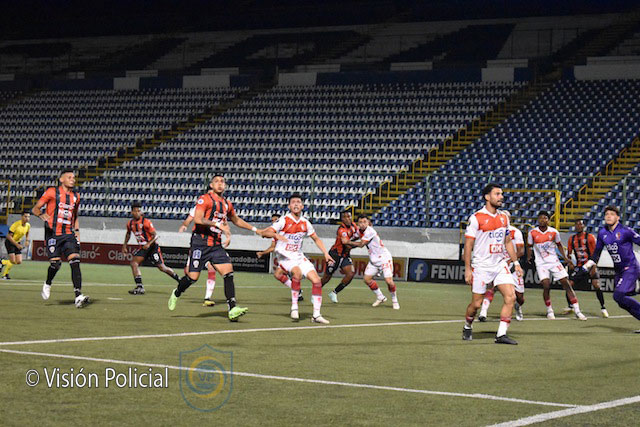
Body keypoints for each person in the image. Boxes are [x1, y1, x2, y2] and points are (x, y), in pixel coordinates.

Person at [168, 174, 256, 322]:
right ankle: (177, 292)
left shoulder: (227, 204)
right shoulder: (204, 199)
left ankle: (232, 308)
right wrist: (218, 225)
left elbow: (235, 220)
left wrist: (255, 229)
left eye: (222, 181)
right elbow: (198, 219)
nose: (220, 184)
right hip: (200, 243)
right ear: (211, 185)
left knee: (228, 272)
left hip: (215, 245)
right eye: (216, 181)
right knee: (192, 277)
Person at [258, 193, 333, 323]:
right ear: (289, 206)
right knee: (296, 273)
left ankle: (316, 315)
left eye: (298, 202)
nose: (296, 204)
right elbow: (266, 233)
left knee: (317, 281)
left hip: (298, 256)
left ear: (302, 206)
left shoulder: (305, 223)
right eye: (293, 202)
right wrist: (275, 235)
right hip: (285, 257)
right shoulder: (283, 220)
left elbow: (316, 239)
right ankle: (294, 307)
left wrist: (326, 253)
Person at [462, 183, 523, 345]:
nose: (501, 197)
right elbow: (468, 245)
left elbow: (507, 241)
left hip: (500, 264)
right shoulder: (476, 218)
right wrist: (468, 269)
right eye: (497, 194)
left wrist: (516, 262)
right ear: (487, 197)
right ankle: (467, 325)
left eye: (501, 194)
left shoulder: (504, 217)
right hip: (481, 266)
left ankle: (501, 334)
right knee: (476, 304)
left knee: (511, 296)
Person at [32, 169, 90, 308]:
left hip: (68, 234)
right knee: (56, 264)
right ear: (61, 179)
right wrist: (41, 215)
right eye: (69, 177)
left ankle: (78, 296)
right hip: (53, 234)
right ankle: (48, 283)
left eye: (74, 177)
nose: (73, 179)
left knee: (75, 261)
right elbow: (35, 208)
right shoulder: (52, 192)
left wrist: (77, 232)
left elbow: (75, 216)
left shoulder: (76, 196)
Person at [577, 206, 640, 332]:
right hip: (619, 271)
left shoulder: (625, 231)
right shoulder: (602, 233)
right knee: (620, 301)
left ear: (618, 217)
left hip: (630, 268)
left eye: (612, 214)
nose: (609, 216)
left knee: (619, 295)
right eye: (606, 214)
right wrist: (586, 267)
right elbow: (596, 254)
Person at [527, 211, 587, 321]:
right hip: (541, 263)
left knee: (566, 283)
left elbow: (559, 245)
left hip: (554, 262)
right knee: (546, 285)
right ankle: (549, 310)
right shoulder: (532, 233)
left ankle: (577, 311)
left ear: (548, 220)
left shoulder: (554, 232)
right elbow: (530, 246)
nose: (542, 220)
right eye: (540, 218)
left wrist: (565, 258)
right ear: (538, 220)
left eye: (545, 218)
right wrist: (529, 257)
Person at [122, 202, 180, 295]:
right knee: (134, 263)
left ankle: (179, 280)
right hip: (143, 248)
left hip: (152, 247)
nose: (137, 213)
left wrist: (148, 244)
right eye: (135, 211)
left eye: (139, 211)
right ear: (132, 212)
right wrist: (124, 246)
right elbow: (128, 233)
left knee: (162, 267)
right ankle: (140, 287)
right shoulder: (130, 223)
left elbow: (155, 235)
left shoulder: (146, 222)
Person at [478, 211, 526, 321]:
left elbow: (520, 252)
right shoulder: (492, 231)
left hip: (512, 265)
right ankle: (483, 312)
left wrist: (511, 260)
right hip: (498, 264)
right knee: (491, 287)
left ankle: (517, 306)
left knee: (519, 296)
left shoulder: (516, 232)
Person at [349, 214, 399, 309]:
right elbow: (354, 237)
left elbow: (361, 244)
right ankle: (380, 297)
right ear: (358, 223)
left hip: (384, 258)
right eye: (360, 222)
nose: (362, 224)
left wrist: (347, 242)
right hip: (374, 260)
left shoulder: (370, 231)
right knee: (367, 279)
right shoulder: (359, 231)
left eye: (364, 222)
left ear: (368, 222)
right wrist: (347, 238)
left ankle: (394, 300)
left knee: (389, 281)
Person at [563, 219, 608, 318]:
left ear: (584, 226)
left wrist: (594, 266)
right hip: (579, 266)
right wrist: (570, 263)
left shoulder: (590, 237)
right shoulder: (572, 239)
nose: (578, 226)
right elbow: (569, 253)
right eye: (577, 224)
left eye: (580, 224)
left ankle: (603, 308)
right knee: (568, 285)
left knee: (596, 285)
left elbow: (595, 254)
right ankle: (571, 306)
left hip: (590, 265)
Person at [257, 213, 303, 301]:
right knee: (280, 275)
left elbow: (273, 247)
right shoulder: (275, 234)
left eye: (276, 220)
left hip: (291, 257)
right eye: (272, 221)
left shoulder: (286, 231)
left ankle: (297, 292)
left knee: (281, 274)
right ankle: (297, 291)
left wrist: (262, 253)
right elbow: (272, 246)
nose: (274, 222)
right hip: (284, 258)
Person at [180, 203, 218, 306]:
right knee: (189, 273)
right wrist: (184, 225)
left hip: (211, 244)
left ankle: (207, 298)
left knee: (211, 269)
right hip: (198, 244)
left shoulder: (219, 209)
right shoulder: (198, 208)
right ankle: (180, 288)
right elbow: (188, 219)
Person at [322, 211, 360, 303]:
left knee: (350, 274)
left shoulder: (354, 226)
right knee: (326, 278)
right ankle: (315, 291)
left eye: (349, 216)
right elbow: (347, 245)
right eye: (345, 217)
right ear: (342, 219)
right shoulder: (341, 230)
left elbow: (358, 234)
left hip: (345, 255)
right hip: (335, 255)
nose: (348, 219)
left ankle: (334, 292)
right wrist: (360, 244)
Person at [1, 210, 31, 280]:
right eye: (25, 216)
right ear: (22, 217)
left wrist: (27, 240)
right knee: (12, 260)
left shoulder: (28, 225)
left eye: (28, 217)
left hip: (17, 243)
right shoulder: (16, 224)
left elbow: (27, 232)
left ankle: (2, 262)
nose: (27, 218)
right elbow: (8, 236)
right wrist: (17, 245)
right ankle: (5, 275)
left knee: (19, 261)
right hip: (10, 242)